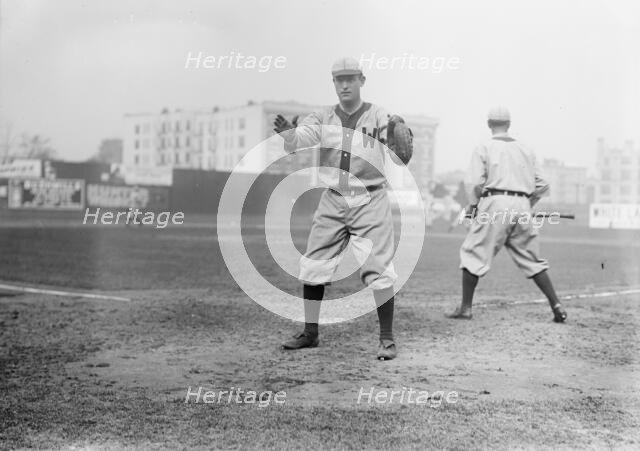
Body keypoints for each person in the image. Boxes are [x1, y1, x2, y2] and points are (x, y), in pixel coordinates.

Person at [273, 57, 409, 360]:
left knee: (380, 269)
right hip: (333, 198)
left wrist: (399, 139)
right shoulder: (321, 116)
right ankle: (310, 333)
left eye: (350, 78)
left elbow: (399, 154)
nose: (344, 84)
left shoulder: (379, 115)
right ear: (333, 83)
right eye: (338, 79)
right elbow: (299, 141)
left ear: (362, 80)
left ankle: (386, 339)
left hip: (371, 199)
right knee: (313, 266)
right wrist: (288, 135)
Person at [446, 107, 568, 323]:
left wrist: (474, 206)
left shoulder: (484, 146)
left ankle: (465, 308)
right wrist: (526, 203)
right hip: (522, 205)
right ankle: (556, 305)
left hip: (495, 202)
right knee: (532, 259)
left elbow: (473, 183)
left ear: (489, 124)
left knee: (473, 253)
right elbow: (543, 184)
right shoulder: (526, 149)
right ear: (509, 125)